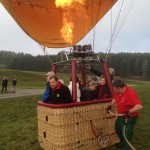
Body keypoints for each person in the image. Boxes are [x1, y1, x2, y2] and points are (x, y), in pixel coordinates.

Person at [107, 79, 143, 149]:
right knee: (117, 128)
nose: (114, 91)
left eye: (114, 89)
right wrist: (110, 105)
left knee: (126, 134)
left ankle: (127, 146)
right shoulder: (118, 92)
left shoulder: (130, 93)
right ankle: (122, 142)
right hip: (121, 115)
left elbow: (139, 106)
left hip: (130, 117)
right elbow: (115, 98)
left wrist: (129, 112)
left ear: (119, 88)